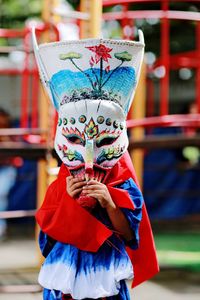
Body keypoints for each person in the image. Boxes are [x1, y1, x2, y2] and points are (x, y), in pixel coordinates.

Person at [32, 29, 159, 299]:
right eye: (76, 139)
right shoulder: (60, 185)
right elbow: (47, 240)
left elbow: (129, 235)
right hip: (63, 274)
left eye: (104, 140)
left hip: (106, 275)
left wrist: (110, 203)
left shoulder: (123, 185)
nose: (89, 158)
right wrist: (68, 200)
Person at [0, 108, 17, 240]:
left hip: (5, 168)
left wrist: (5, 137)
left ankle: (1, 229)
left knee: (1, 195)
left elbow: (12, 151)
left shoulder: (9, 134)